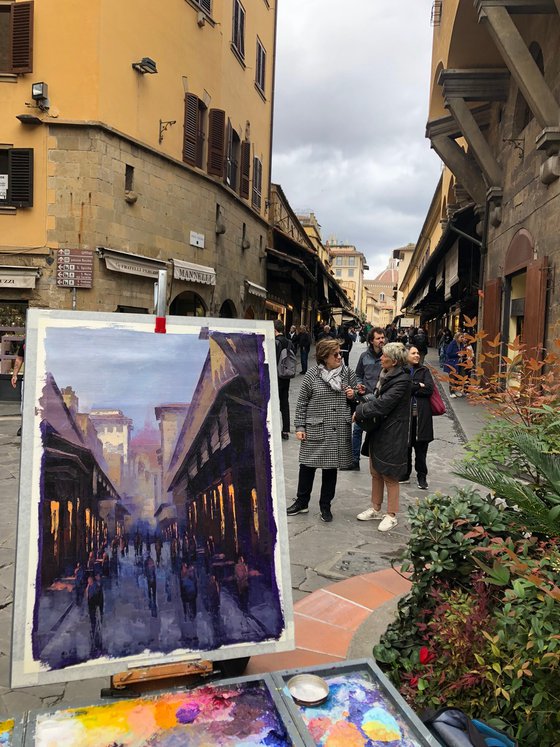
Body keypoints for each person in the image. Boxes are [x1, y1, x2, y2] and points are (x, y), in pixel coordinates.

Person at [287, 338, 358, 523]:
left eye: (340, 353)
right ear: (324, 356)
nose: (339, 357)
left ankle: (325, 506)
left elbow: (357, 395)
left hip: (338, 429)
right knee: (307, 466)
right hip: (315, 427)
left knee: (330, 470)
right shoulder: (312, 375)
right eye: (335, 354)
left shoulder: (348, 373)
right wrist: (299, 426)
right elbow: (301, 402)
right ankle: (302, 502)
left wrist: (353, 395)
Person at [354, 342, 412, 532]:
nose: (381, 358)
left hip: (393, 433)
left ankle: (391, 514)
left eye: (385, 355)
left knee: (389, 474)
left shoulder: (402, 380)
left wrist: (360, 411)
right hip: (380, 430)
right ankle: (376, 508)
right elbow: (378, 400)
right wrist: (367, 395)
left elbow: (383, 405)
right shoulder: (386, 375)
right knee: (375, 472)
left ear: (394, 361)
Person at [343, 327, 385, 471]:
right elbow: (358, 374)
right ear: (371, 340)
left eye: (382, 338)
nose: (381, 340)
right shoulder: (364, 356)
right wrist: (359, 384)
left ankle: (377, 462)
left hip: (380, 399)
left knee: (378, 432)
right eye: (378, 338)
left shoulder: (387, 356)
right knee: (357, 429)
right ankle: (355, 461)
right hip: (364, 398)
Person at [400, 346, 434, 490]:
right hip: (406, 415)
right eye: (413, 353)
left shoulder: (424, 370)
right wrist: (417, 385)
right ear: (406, 355)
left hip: (422, 415)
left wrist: (413, 387)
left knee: (421, 448)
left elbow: (429, 389)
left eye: (418, 353)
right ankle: (405, 473)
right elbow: (402, 389)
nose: (417, 355)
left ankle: (422, 476)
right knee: (405, 446)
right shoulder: (401, 370)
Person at [274, 320, 293, 440]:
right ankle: (285, 430)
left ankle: (275, 429)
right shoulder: (289, 342)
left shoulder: (275, 342)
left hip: (276, 376)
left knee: (275, 403)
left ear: (275, 329)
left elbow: (273, 359)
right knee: (285, 403)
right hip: (286, 376)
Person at [10, 338, 24, 436]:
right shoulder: (25, 342)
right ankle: (24, 425)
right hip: (28, 377)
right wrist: (15, 374)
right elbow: (19, 358)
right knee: (25, 401)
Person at [444, 332, 465, 397]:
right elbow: (448, 353)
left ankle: (457, 390)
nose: (462, 339)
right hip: (452, 363)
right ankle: (452, 392)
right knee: (452, 378)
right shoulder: (452, 344)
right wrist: (457, 354)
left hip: (459, 363)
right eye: (461, 337)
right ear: (457, 337)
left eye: (463, 337)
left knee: (459, 377)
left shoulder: (461, 344)